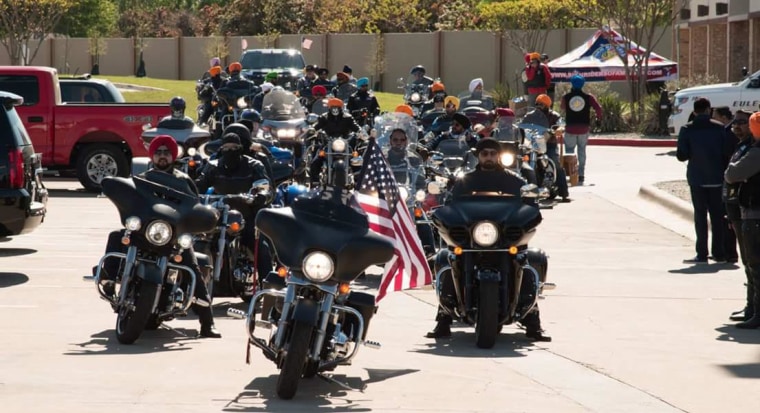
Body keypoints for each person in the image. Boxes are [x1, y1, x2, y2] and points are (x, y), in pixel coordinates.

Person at [425, 138, 551, 342]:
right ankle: (443, 318)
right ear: (478, 156)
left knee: (525, 261)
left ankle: (533, 320)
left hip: (505, 238)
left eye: (493, 153)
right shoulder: (464, 181)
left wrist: (531, 205)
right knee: (448, 260)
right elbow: (449, 201)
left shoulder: (515, 181)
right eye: (485, 154)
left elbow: (530, 202)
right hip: (471, 239)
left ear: (499, 155)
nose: (489, 157)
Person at [97, 135, 222, 338]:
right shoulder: (142, 178)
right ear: (152, 155)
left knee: (192, 268)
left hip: (172, 236)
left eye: (166, 152)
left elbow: (194, 206)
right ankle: (108, 280)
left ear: (173, 156)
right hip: (144, 231)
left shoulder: (184, 181)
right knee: (116, 237)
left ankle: (207, 322)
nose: (162, 156)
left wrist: (200, 218)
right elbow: (130, 196)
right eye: (158, 152)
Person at [195, 133, 274, 279]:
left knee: (259, 245)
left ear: (241, 148)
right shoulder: (213, 166)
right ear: (221, 148)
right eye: (227, 147)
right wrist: (189, 192)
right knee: (195, 238)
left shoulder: (254, 165)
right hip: (218, 212)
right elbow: (199, 184)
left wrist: (261, 195)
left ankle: (269, 285)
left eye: (234, 148)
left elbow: (265, 186)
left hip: (247, 213)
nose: (230, 151)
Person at [677, 97, 732, 264]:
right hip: (716, 178)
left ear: (694, 111)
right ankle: (719, 254)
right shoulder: (720, 129)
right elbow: (726, 153)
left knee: (700, 217)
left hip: (697, 178)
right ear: (709, 110)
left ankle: (701, 254)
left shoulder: (687, 129)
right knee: (717, 217)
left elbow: (681, 155)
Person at [725, 112, 760, 329]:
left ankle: (756, 312)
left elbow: (732, 173)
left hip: (755, 214)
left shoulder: (755, 152)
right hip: (750, 212)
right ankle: (751, 309)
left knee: (755, 265)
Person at [523, 94, 571, 202]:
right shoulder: (530, 115)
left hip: (549, 144)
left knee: (555, 162)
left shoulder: (553, 115)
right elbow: (522, 124)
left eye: (542, 104)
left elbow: (561, 123)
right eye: (537, 104)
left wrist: (559, 128)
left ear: (547, 105)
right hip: (532, 144)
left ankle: (564, 193)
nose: (539, 106)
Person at [560, 74, 603, 185]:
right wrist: (598, 119)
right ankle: (581, 175)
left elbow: (562, 108)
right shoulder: (589, 97)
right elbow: (598, 108)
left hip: (570, 128)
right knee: (582, 151)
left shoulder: (566, 97)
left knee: (569, 152)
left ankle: (571, 174)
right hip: (583, 128)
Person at [311, 98, 362, 184]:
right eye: (333, 107)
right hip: (328, 141)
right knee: (317, 159)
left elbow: (355, 126)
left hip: (344, 142)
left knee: (355, 158)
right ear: (329, 107)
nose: (335, 109)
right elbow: (317, 125)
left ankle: (358, 181)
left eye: (337, 107)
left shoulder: (348, 117)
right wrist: (312, 129)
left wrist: (361, 132)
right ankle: (315, 181)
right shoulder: (324, 117)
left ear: (341, 107)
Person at [713, 106, 740, 264]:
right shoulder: (728, 130)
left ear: (723, 117)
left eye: (715, 116)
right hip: (730, 178)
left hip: (730, 180)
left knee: (728, 216)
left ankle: (729, 253)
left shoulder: (728, 133)